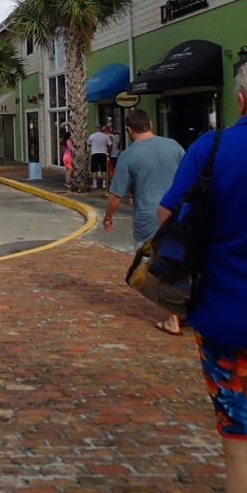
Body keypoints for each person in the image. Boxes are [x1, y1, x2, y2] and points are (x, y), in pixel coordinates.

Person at [158, 57, 247, 493]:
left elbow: (168, 215)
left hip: (225, 317)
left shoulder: (213, 147)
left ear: (240, 100)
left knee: (241, 442)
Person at [102, 108, 185, 335]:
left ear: (129, 130)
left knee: (154, 268)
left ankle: (173, 317)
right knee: (179, 262)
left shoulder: (129, 155)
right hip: (178, 213)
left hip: (148, 217)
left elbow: (116, 195)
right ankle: (183, 310)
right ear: (150, 123)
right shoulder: (174, 146)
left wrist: (108, 218)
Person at [87, 124, 113, 190]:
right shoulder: (105, 136)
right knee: (104, 169)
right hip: (103, 154)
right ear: (101, 129)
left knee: (95, 169)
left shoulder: (92, 136)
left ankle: (95, 184)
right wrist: (108, 151)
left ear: (96, 129)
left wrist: (93, 146)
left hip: (95, 154)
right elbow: (110, 145)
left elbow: (88, 144)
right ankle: (104, 184)